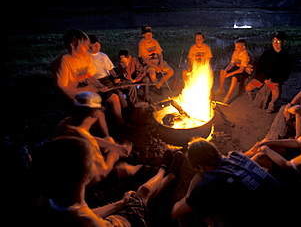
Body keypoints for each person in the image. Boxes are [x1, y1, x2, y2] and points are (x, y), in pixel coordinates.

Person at [31, 136, 185, 227]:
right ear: (86, 176)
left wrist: (120, 203)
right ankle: (166, 171)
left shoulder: (52, 200)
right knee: (143, 192)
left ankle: (168, 173)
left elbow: (82, 213)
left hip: (106, 216)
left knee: (137, 198)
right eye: (95, 162)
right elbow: (88, 218)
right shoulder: (91, 223)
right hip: (123, 223)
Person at [172, 138, 281, 227]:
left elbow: (175, 212)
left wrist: (194, 184)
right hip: (281, 204)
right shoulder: (237, 156)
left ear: (201, 167)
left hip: (266, 220)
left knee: (187, 216)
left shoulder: (211, 182)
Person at [53, 91, 141, 187]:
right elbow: (102, 173)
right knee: (125, 169)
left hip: (61, 166)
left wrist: (114, 145)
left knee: (109, 140)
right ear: (95, 114)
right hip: (77, 182)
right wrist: (114, 155)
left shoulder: (67, 123)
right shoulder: (87, 141)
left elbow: (89, 138)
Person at [51, 29, 121, 137]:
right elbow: (62, 88)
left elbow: (90, 76)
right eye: (84, 46)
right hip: (73, 96)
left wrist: (100, 86)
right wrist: (83, 92)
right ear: (72, 45)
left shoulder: (86, 57)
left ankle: (120, 123)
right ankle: (102, 137)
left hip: (89, 90)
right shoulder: (64, 61)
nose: (87, 48)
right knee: (98, 112)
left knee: (114, 97)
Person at [88, 34, 130, 124]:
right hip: (97, 81)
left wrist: (115, 78)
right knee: (117, 94)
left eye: (98, 44)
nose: (97, 47)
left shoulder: (103, 56)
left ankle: (128, 111)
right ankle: (122, 118)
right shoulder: (86, 57)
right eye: (94, 45)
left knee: (125, 88)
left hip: (108, 79)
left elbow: (111, 70)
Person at [245, 31, 292, 113]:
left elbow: (285, 72)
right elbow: (259, 66)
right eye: (274, 41)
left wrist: (275, 80)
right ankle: (253, 96)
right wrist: (264, 78)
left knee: (275, 90)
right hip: (263, 77)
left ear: (283, 42)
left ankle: (272, 104)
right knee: (248, 87)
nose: (275, 43)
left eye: (278, 41)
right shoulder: (267, 54)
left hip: (274, 80)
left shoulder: (286, 56)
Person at [138, 25, 174, 95]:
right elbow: (145, 59)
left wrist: (160, 63)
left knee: (171, 72)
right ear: (143, 35)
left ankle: (158, 85)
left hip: (157, 60)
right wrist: (155, 67)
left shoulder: (154, 42)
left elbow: (160, 54)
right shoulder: (142, 43)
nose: (149, 36)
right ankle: (155, 85)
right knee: (152, 73)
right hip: (148, 62)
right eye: (147, 35)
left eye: (150, 34)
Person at [214, 38, 252, 104]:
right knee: (222, 71)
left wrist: (229, 74)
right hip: (238, 67)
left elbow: (241, 70)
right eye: (235, 46)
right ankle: (221, 90)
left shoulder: (245, 55)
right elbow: (231, 64)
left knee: (234, 78)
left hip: (245, 70)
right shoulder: (235, 52)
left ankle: (227, 97)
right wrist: (226, 71)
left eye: (238, 47)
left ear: (244, 47)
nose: (236, 48)